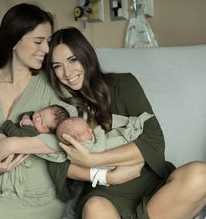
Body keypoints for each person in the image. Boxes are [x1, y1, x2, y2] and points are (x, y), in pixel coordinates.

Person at [46, 27, 206, 219]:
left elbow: (154, 142)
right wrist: (106, 176)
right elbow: (58, 164)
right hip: (106, 194)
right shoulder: (63, 109)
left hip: (152, 184)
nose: (67, 72)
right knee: (95, 209)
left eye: (73, 60)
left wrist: (92, 160)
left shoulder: (124, 84)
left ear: (86, 56)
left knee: (201, 175)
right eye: (57, 66)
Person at [0, 3, 77, 219]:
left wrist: (10, 144)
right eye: (38, 41)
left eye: (48, 42)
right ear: (13, 41)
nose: (46, 50)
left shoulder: (52, 86)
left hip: (35, 199)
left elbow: (72, 139)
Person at [0, 104, 70, 167]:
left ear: (48, 133)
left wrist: (8, 124)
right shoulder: (33, 121)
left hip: (0, 154)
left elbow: (15, 135)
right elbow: (31, 113)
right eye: (40, 113)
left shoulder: (33, 132)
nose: (37, 119)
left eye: (42, 123)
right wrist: (26, 117)